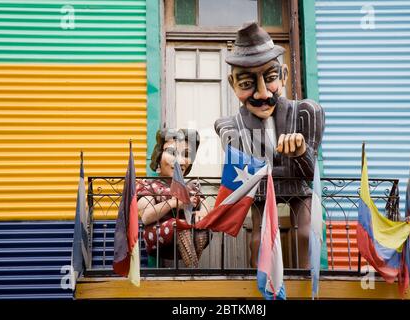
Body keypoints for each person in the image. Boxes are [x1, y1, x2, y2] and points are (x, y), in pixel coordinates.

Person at [214, 22, 325, 268]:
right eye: (246, 84)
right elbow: (248, 175)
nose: (263, 93)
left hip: (298, 190)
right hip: (261, 194)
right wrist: (285, 167)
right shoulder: (230, 126)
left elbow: (309, 174)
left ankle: (306, 284)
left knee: (305, 235)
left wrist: (301, 153)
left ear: (284, 75)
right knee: (259, 240)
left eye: (271, 78)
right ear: (232, 84)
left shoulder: (306, 113)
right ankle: (261, 284)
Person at [137, 128, 209, 268]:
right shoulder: (148, 185)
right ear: (159, 156)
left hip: (186, 232)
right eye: (171, 153)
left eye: (186, 154)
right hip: (157, 235)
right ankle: (193, 270)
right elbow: (146, 216)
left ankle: (193, 267)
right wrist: (174, 203)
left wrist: (202, 213)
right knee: (179, 224)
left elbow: (206, 206)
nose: (180, 161)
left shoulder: (192, 187)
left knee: (201, 227)